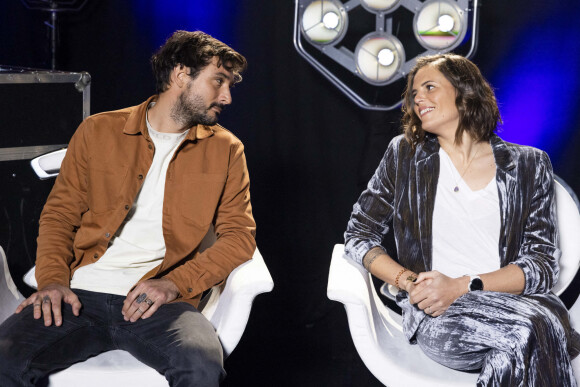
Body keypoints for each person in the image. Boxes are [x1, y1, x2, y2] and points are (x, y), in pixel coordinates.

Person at [0, 30, 255, 386]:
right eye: (218, 81)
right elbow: (59, 217)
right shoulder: (98, 131)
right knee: (5, 358)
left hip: (163, 304)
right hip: (78, 296)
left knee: (200, 367)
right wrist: (54, 282)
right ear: (182, 75)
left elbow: (239, 239)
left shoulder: (227, 149)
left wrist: (172, 284)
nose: (226, 97)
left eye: (230, 85)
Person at [344, 54, 580, 386]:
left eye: (429, 87)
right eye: (413, 94)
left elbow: (540, 266)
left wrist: (461, 285)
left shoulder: (530, 164)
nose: (418, 99)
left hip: (516, 306)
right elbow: (358, 236)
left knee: (511, 350)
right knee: (532, 330)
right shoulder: (404, 156)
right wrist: (410, 282)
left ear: (465, 91)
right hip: (441, 316)